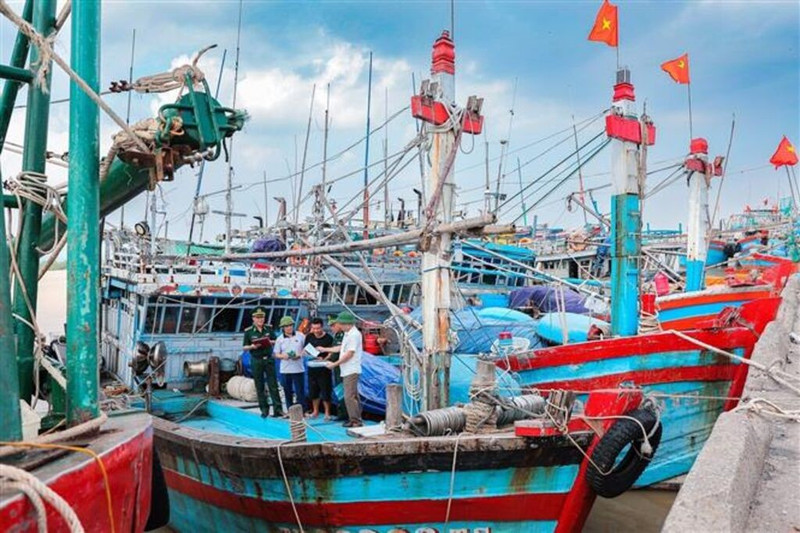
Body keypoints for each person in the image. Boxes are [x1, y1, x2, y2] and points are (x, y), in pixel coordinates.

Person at [242, 308, 283, 418]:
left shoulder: (269, 329)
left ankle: (278, 409)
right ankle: (264, 409)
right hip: (257, 360)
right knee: (259, 385)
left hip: (269, 359)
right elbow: (244, 347)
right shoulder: (249, 331)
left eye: (262, 317)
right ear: (253, 319)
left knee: (273, 385)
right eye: (258, 318)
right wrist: (252, 346)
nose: (260, 320)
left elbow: (276, 341)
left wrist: (270, 342)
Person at [326, 311, 362, 428]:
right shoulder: (348, 334)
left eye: (340, 324)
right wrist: (325, 349)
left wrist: (335, 364)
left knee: (349, 396)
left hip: (351, 369)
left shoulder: (354, 335)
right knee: (353, 395)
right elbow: (341, 348)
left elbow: (349, 354)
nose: (339, 326)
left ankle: (355, 420)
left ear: (346, 324)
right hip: (347, 369)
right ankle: (355, 418)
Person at [273, 315, 306, 411]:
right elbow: (276, 354)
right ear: (283, 328)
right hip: (285, 369)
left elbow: (306, 349)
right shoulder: (279, 339)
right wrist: (284, 356)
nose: (289, 328)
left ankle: (302, 411)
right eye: (286, 326)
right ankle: (290, 410)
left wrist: (299, 355)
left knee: (300, 391)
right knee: (288, 391)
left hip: (299, 368)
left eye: (291, 325)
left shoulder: (301, 336)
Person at [304, 317, 334, 420]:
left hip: (324, 367)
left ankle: (327, 413)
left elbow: (331, 352)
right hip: (312, 366)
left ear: (322, 327)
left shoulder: (329, 338)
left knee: (325, 390)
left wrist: (324, 359)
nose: (316, 331)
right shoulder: (309, 337)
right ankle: (315, 411)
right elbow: (306, 349)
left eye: (318, 328)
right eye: (314, 328)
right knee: (313, 391)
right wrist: (311, 355)